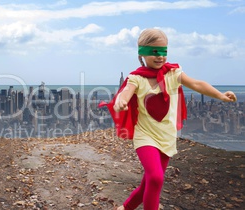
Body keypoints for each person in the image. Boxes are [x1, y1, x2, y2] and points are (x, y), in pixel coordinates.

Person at [99, 28, 237, 210]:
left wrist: (220, 95)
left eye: (164, 51)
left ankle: (125, 208)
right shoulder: (136, 78)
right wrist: (120, 102)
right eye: (154, 52)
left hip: (166, 137)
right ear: (142, 53)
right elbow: (126, 92)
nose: (160, 57)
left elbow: (196, 84)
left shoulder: (173, 73)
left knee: (148, 184)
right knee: (156, 178)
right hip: (145, 136)